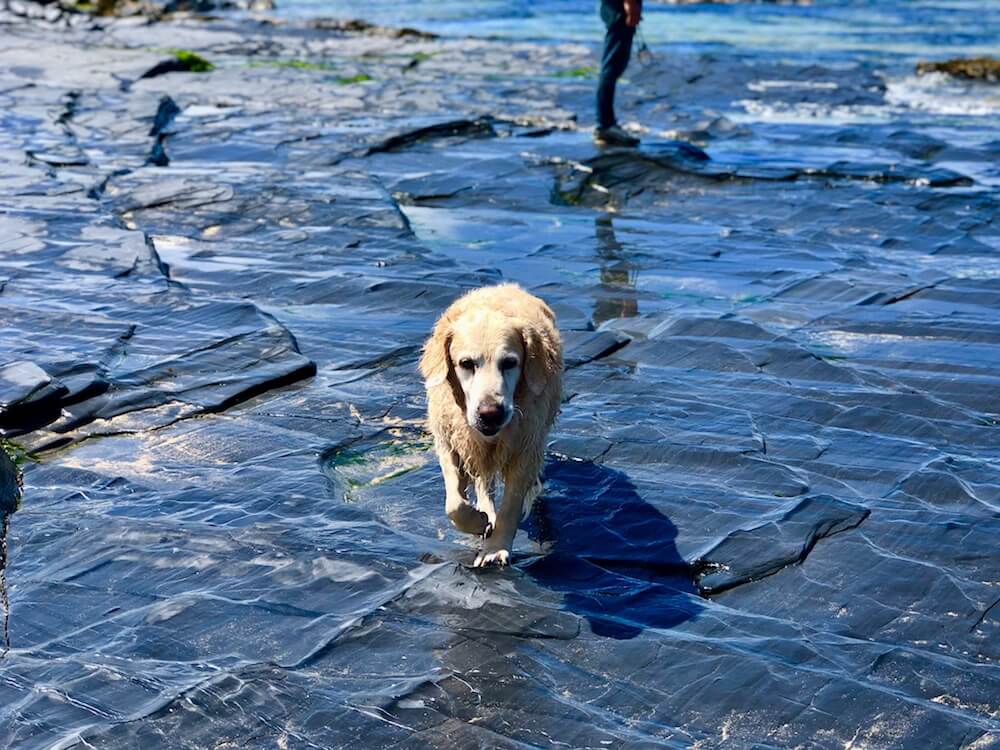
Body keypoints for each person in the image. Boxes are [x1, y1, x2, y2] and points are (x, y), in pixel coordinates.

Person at [594, 0, 642, 147]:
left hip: (617, 10)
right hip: (619, 10)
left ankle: (606, 124)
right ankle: (605, 125)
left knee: (613, 67)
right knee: (611, 68)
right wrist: (631, 4)